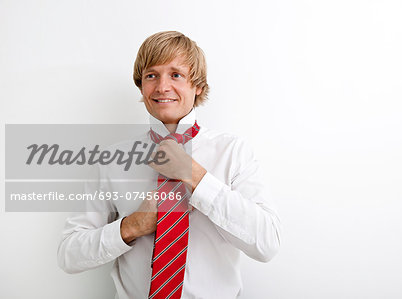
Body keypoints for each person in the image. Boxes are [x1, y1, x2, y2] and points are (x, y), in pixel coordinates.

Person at [57, 31, 281, 299]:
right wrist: (131, 226)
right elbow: (69, 255)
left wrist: (194, 176)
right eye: (152, 75)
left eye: (176, 75)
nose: (162, 87)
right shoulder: (112, 160)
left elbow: (267, 244)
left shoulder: (233, 151)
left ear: (197, 85)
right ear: (141, 85)